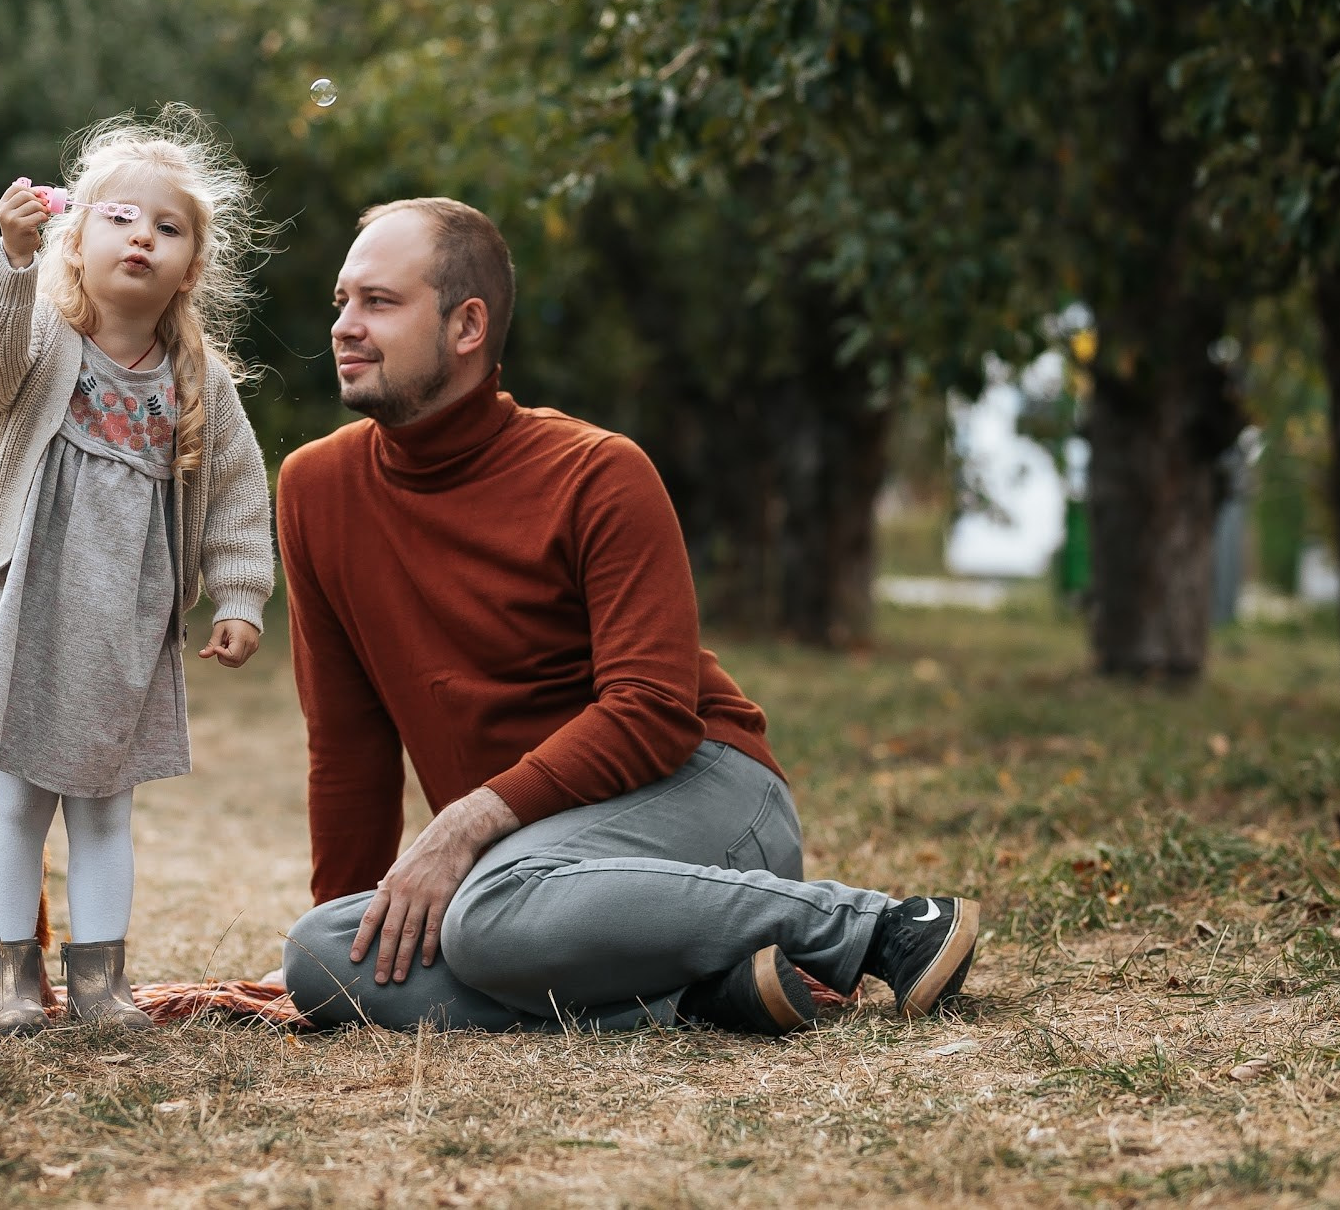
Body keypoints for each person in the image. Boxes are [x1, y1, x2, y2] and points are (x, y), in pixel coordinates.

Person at [276, 198, 978, 1034]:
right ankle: (695, 999)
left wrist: (465, 821)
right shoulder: (317, 488)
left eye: (379, 302)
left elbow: (651, 712)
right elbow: (347, 746)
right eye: (341, 302)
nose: (347, 326)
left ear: (468, 326)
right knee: (319, 954)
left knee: (489, 914)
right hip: (532, 862)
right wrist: (363, 930)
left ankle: (876, 926)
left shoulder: (598, 471)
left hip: (702, 799)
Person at [0, 108, 274, 1035]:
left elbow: (239, 492)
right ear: (75, 241)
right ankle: (8, 982)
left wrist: (240, 592)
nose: (143, 237)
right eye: (120, 217)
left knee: (106, 811)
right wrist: (10, 259)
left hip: (126, 620)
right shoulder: (43, 344)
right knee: (19, 800)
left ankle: (102, 985)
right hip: (34, 610)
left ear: (190, 264)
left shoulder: (199, 381)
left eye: (167, 227)